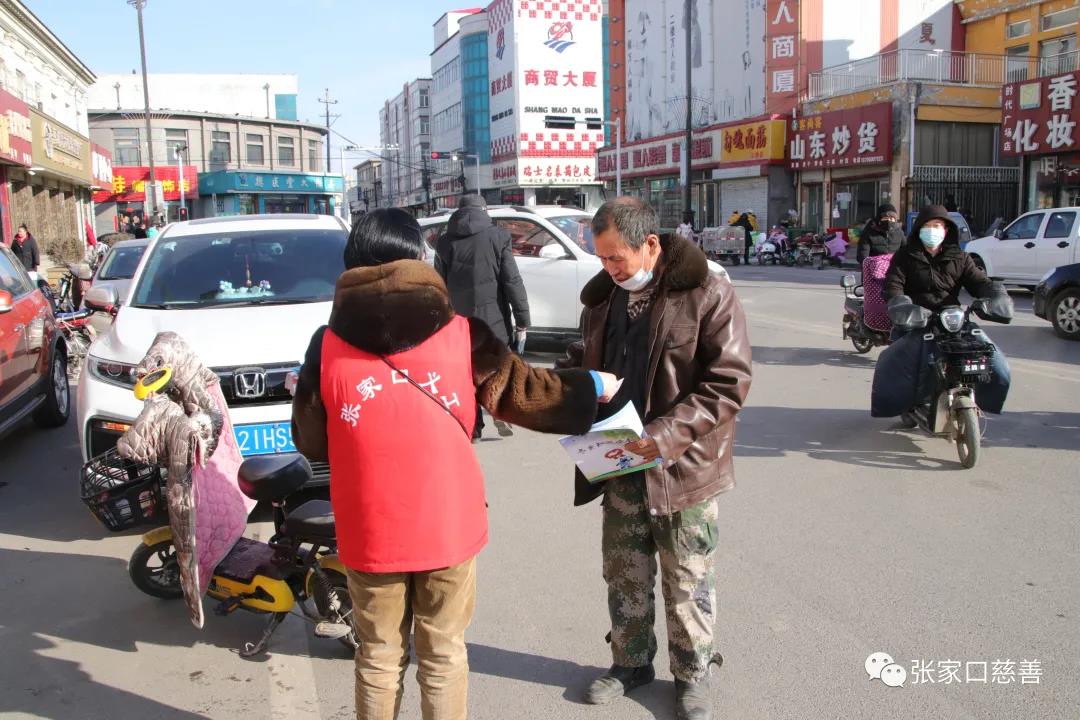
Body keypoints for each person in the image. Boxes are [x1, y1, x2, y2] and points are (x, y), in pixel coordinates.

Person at [291, 208, 618, 720]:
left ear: (353, 263)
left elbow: (311, 441)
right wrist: (590, 385)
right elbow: (527, 395)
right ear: (419, 258)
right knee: (443, 654)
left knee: (377, 657)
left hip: (369, 528)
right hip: (446, 524)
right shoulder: (464, 334)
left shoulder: (325, 346)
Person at [559, 197, 753, 720]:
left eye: (615, 257)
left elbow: (728, 382)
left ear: (649, 244)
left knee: (687, 576)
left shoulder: (706, 291)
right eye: (601, 258)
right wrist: (568, 384)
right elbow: (586, 359)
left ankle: (693, 675)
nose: (609, 268)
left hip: (681, 465)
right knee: (624, 569)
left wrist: (665, 435)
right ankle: (630, 662)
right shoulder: (602, 299)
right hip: (619, 459)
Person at [873, 205, 1012, 418]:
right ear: (919, 229)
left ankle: (984, 400)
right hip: (916, 320)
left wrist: (995, 294)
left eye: (937, 225)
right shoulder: (904, 256)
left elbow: (980, 283)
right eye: (927, 226)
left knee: (996, 364)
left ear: (946, 230)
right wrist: (901, 304)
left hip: (952, 320)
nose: (932, 230)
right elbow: (893, 286)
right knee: (892, 365)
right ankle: (905, 405)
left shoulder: (960, 258)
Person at [434, 195, 530, 440]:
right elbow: (512, 281)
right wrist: (522, 318)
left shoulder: (444, 242)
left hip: (459, 322)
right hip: (493, 319)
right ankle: (497, 408)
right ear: (484, 210)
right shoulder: (498, 237)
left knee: (466, 374)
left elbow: (439, 286)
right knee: (495, 366)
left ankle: (474, 428)